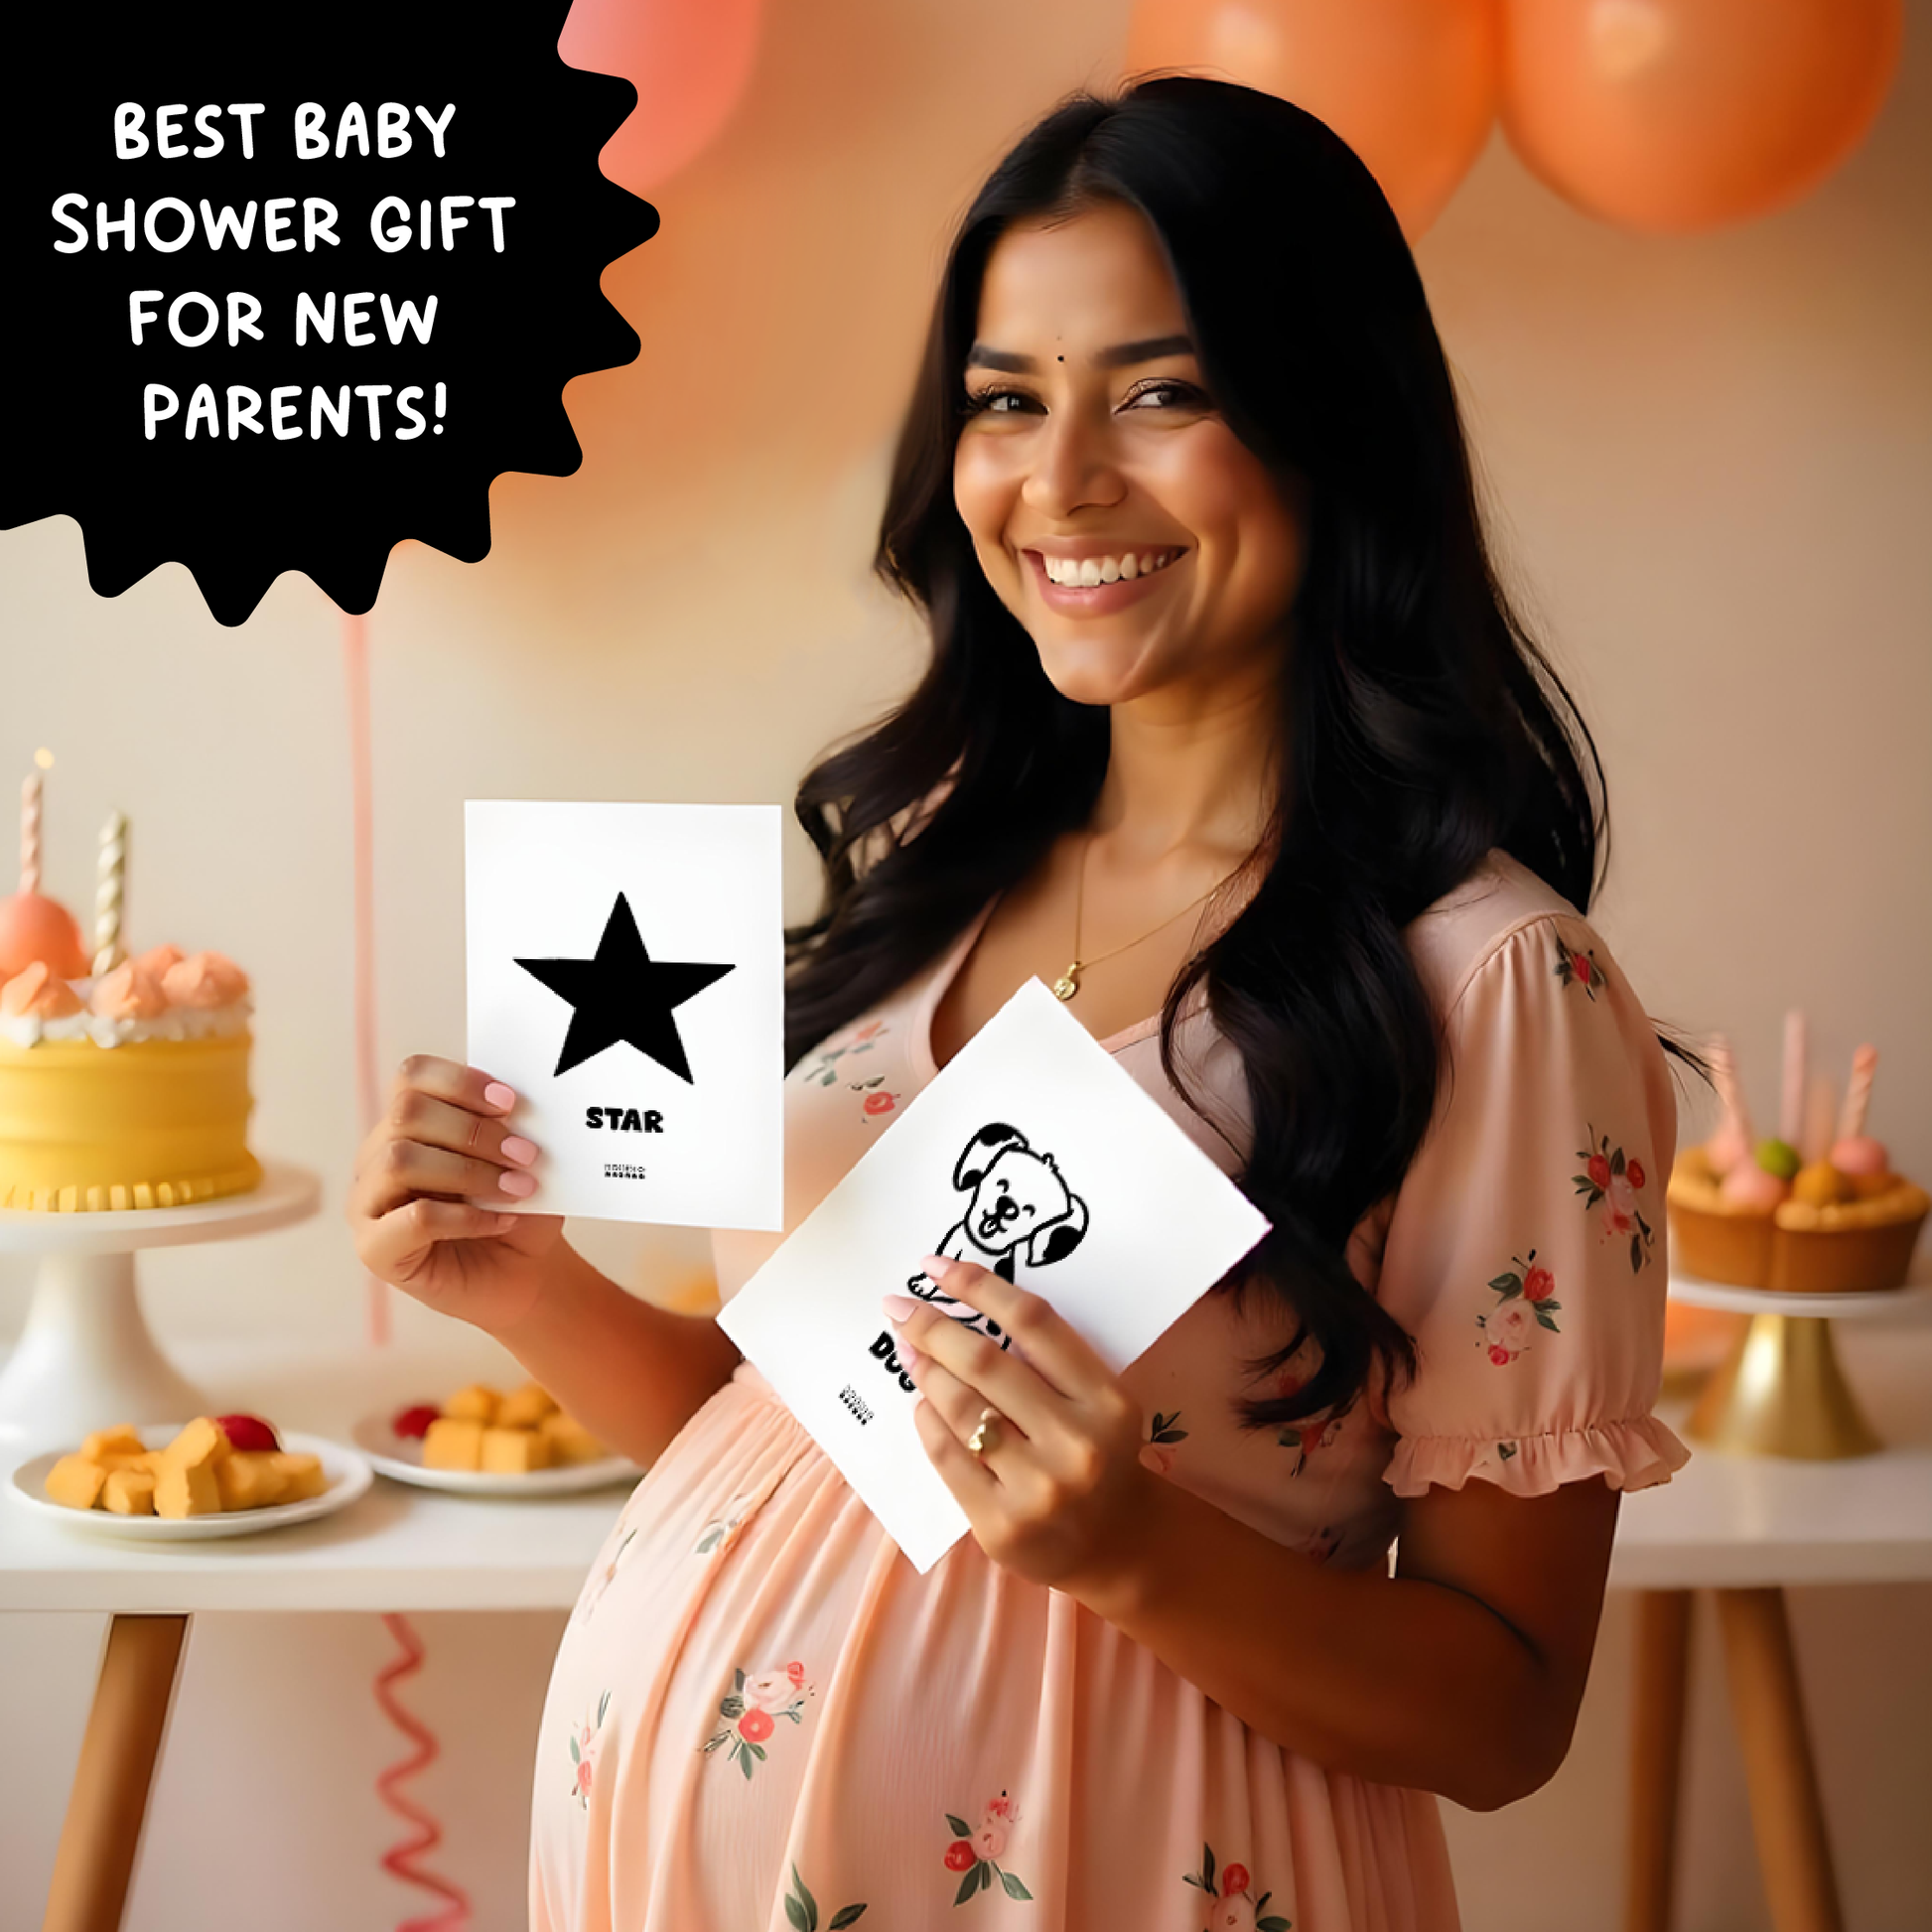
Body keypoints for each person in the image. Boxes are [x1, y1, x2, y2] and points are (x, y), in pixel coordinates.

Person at [348, 76, 1691, 1931]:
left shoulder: (1488, 979)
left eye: (1160, 390)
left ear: (1329, 423)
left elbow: (1506, 1712)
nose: (1058, 481)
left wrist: (1135, 1553)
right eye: (1004, 399)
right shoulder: (937, 861)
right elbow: (817, 1447)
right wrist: (520, 1284)